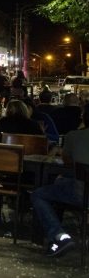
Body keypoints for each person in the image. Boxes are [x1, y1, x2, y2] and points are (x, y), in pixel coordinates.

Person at [31, 104, 89, 257]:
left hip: (81, 193)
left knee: (39, 194)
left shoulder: (74, 136)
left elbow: (67, 162)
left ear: (84, 118)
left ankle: (58, 235)